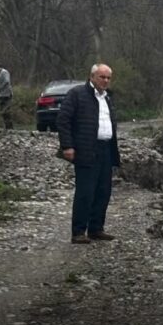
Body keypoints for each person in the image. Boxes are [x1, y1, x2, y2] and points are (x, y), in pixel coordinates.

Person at [56, 63, 121, 244]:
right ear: (92, 77)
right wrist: (67, 146)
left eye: (108, 78)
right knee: (85, 192)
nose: (106, 81)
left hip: (106, 148)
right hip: (86, 149)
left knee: (103, 191)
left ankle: (96, 229)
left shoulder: (107, 97)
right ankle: (78, 232)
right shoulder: (77, 94)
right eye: (102, 77)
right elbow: (63, 120)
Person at [0, 62, 14, 129]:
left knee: (6, 111)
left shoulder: (4, 72)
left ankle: (10, 127)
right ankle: (7, 126)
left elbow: (6, 81)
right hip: (1, 95)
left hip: (6, 94)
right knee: (3, 112)